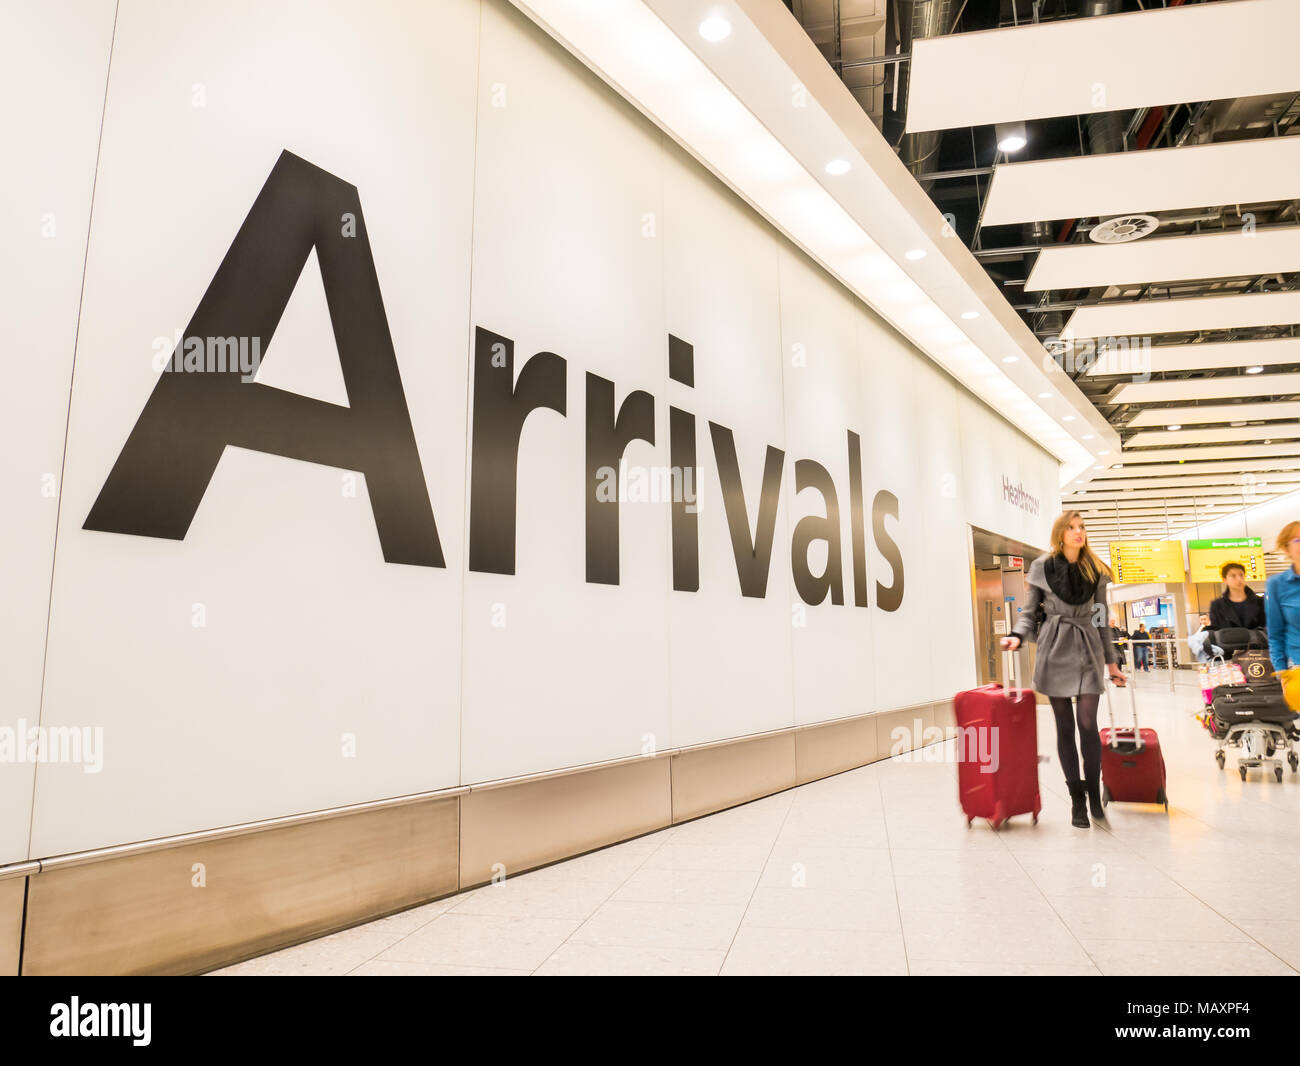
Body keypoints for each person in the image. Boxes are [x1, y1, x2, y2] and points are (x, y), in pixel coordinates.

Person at [1002, 510, 1126, 829]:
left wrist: (1111, 662)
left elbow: (1100, 616)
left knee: (1087, 722)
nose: (1078, 532)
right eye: (1071, 528)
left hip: (1087, 646)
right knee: (1065, 727)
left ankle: (1095, 794)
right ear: (1060, 534)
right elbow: (1029, 613)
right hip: (1054, 647)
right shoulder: (1042, 567)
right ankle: (1077, 801)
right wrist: (1016, 635)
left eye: (1082, 527)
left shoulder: (1096, 569)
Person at [1267, 522, 1300, 672]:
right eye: (1297, 540)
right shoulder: (1277, 585)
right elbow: (1275, 633)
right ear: (1287, 549)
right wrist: (1281, 671)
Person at [1210, 561, 1266, 632]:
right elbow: (1216, 632)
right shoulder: (1217, 605)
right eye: (1233, 576)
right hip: (1228, 642)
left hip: (1256, 642)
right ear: (1225, 580)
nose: (1239, 579)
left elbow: (1265, 628)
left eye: (1241, 575)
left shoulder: (1260, 602)